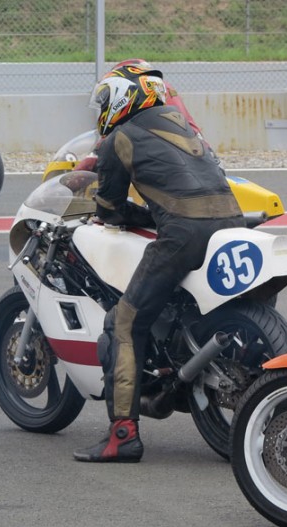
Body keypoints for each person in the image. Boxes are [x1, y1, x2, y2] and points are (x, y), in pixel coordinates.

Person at [73, 65, 244, 462]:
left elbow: (110, 210)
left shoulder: (121, 138)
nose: (102, 108)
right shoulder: (185, 127)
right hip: (233, 225)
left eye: (105, 99)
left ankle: (122, 435)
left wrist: (139, 216)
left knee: (125, 323)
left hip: (183, 235)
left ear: (124, 98)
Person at [73, 58, 214, 173]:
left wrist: (80, 171)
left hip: (178, 174)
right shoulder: (163, 90)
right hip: (206, 160)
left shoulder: (142, 102)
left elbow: (109, 145)